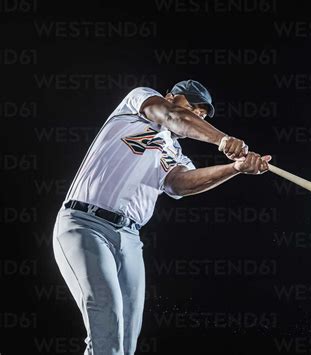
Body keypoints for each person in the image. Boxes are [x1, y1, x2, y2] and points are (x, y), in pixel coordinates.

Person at [52, 80, 271, 355]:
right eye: (192, 106)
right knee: (106, 320)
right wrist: (223, 140)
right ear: (170, 96)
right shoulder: (140, 103)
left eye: (202, 114)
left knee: (125, 342)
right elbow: (172, 116)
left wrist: (235, 167)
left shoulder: (175, 153)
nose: (197, 115)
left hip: (130, 240)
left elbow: (179, 184)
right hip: (85, 224)